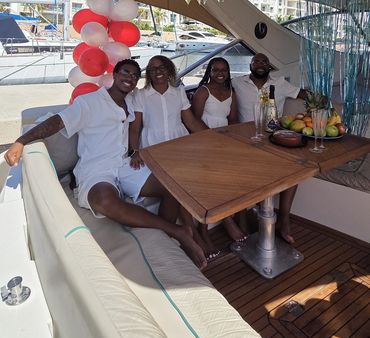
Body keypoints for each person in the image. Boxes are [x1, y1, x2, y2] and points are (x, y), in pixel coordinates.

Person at [4, 58, 206, 270]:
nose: (130, 78)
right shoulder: (89, 102)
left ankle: (166, 242)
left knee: (172, 186)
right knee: (104, 200)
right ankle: (177, 231)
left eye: (134, 76)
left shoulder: (129, 104)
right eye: (125, 73)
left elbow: (140, 128)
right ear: (115, 76)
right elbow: (58, 121)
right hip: (96, 168)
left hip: (124, 164)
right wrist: (21, 141)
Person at [129, 55, 212, 256]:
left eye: (161, 67)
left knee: (186, 181)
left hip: (179, 144)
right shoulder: (141, 95)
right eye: (152, 69)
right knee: (177, 185)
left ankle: (197, 230)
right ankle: (194, 232)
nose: (157, 71)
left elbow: (190, 122)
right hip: (154, 147)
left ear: (169, 70)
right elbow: (135, 127)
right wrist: (134, 150)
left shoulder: (179, 92)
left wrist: (213, 137)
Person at [232, 52, 306, 244]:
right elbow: (217, 91)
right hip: (244, 140)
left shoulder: (280, 83)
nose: (260, 63)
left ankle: (284, 219)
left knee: (294, 171)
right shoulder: (237, 83)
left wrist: (323, 102)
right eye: (256, 60)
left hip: (274, 138)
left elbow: (302, 94)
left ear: (269, 66)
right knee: (241, 174)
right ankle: (242, 217)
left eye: (264, 61)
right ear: (250, 65)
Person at [191, 56, 248, 248]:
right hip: (204, 141)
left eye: (224, 70)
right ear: (210, 72)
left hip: (224, 141)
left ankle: (239, 216)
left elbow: (232, 120)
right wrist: (209, 140)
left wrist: (234, 143)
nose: (220, 73)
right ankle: (224, 222)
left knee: (237, 177)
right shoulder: (203, 91)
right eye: (216, 70)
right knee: (211, 181)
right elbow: (194, 121)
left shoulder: (230, 92)